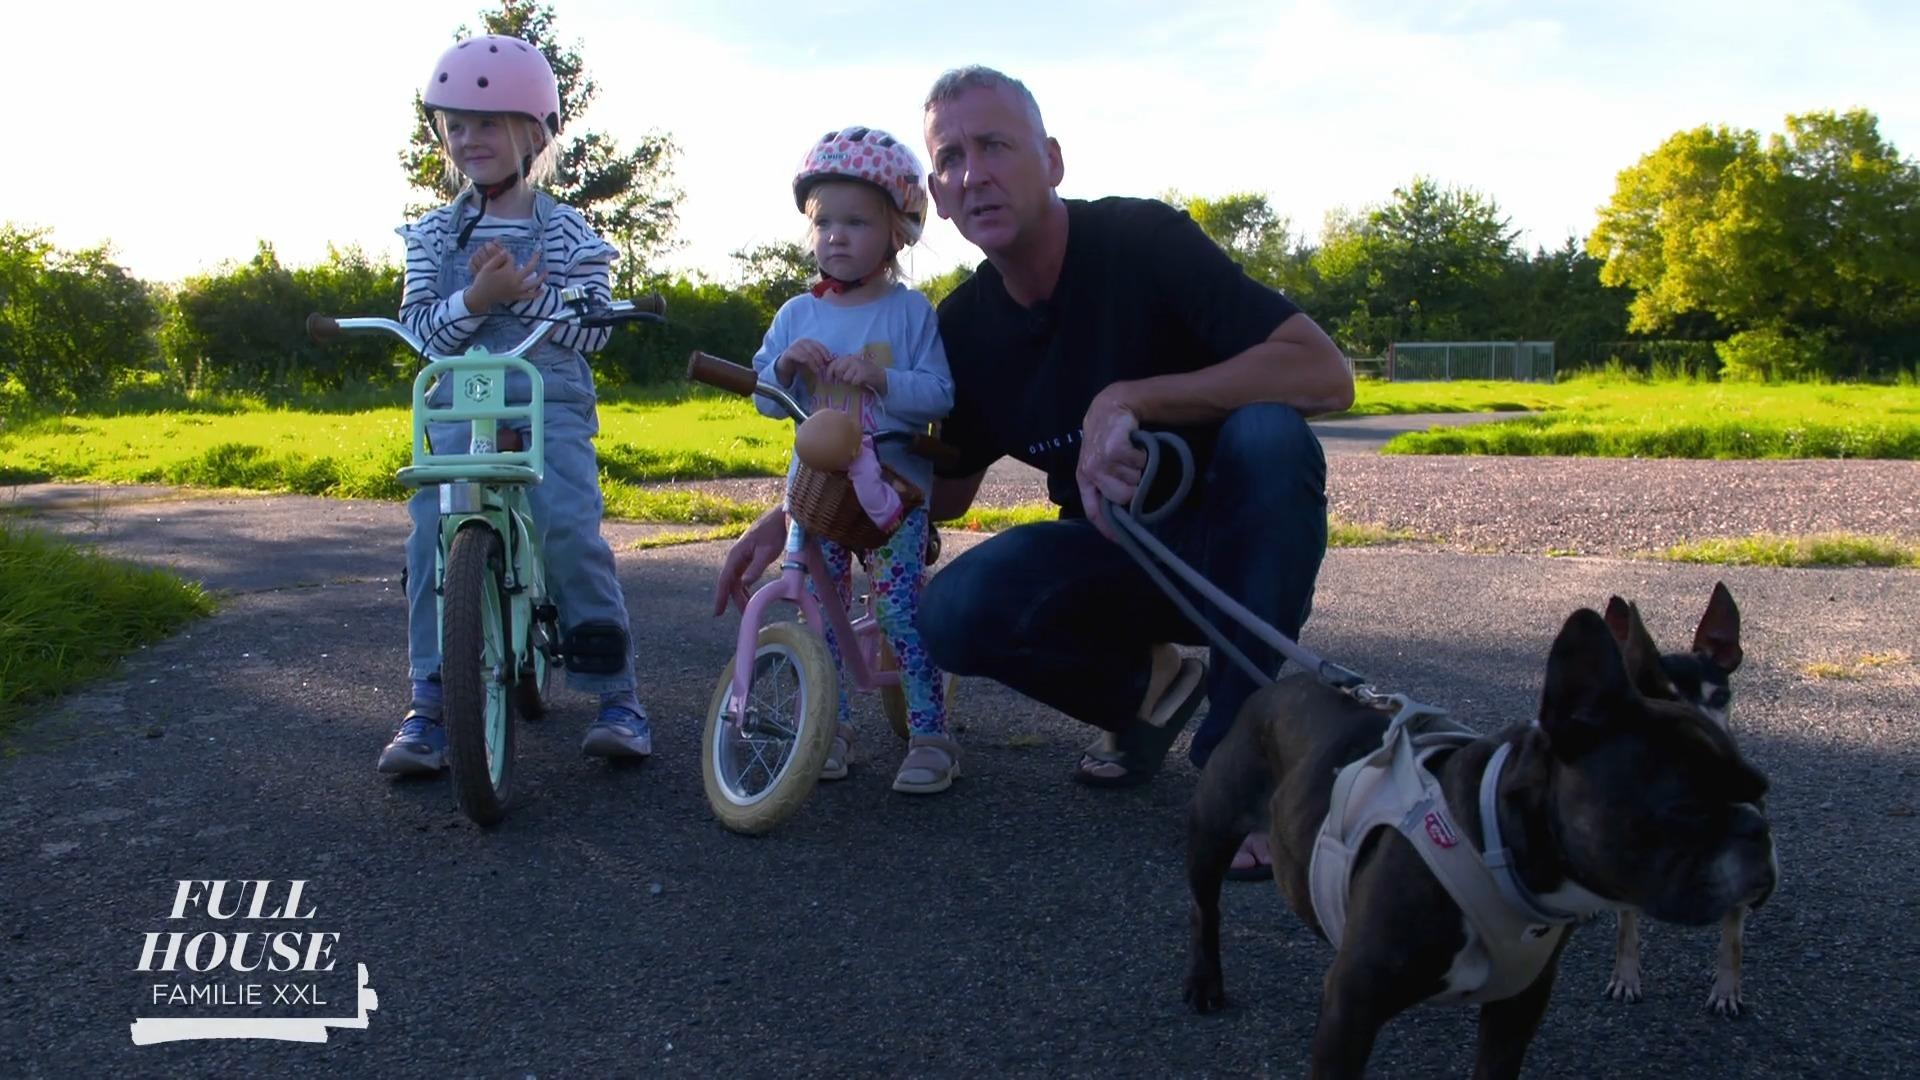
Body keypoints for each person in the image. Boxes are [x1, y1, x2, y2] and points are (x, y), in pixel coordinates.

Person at [715, 67, 1351, 875]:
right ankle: (1148, 690)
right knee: (952, 612)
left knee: (1269, 436)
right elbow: (938, 491)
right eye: (951, 159)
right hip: (1117, 559)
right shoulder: (963, 327)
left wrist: (1132, 397)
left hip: (1238, 558)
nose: (974, 173)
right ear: (938, 198)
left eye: (996, 146)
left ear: (1051, 160)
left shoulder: (1142, 241)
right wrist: (795, 516)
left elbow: (1324, 375)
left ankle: (1244, 762)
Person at [377, 34, 651, 775]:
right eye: (456, 124)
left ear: (535, 134)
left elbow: (594, 328)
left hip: (545, 401)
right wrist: (477, 297)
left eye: (489, 124)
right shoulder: (431, 234)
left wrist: (524, 297)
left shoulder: (566, 230)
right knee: (429, 538)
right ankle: (430, 700)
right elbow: (422, 332)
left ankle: (617, 696)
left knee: (567, 527)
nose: (470, 139)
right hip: (458, 408)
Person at [737, 125, 960, 794]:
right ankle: (827, 730)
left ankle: (931, 734)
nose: (836, 236)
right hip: (818, 488)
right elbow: (766, 401)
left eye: (856, 222)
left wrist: (882, 379)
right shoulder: (796, 314)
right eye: (824, 221)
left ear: (897, 233)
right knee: (818, 608)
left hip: (891, 487)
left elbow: (940, 392)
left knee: (898, 610)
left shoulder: (908, 313)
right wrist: (783, 367)